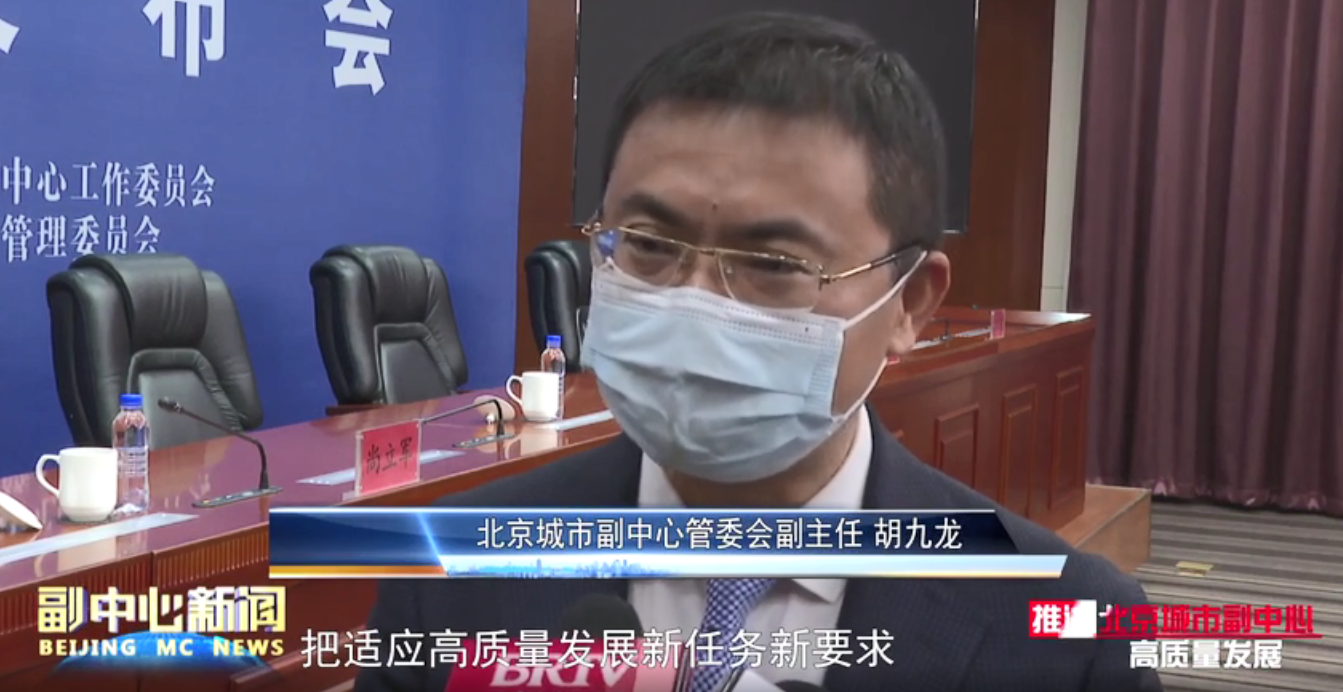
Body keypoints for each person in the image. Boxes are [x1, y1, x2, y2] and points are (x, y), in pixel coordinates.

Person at [356, 11, 1160, 692]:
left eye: (773, 264)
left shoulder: (1071, 635)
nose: (696, 302)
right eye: (648, 244)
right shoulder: (448, 570)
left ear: (910, 302)